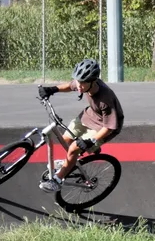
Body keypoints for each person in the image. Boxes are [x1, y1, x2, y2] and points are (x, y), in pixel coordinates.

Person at [36, 58, 124, 193]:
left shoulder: (105, 98)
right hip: (90, 115)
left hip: (104, 126)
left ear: (93, 81)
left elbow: (109, 127)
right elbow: (70, 85)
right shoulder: (83, 83)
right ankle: (73, 160)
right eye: (78, 81)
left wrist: (91, 141)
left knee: (73, 148)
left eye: (82, 83)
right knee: (65, 139)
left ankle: (57, 181)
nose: (79, 86)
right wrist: (52, 89)